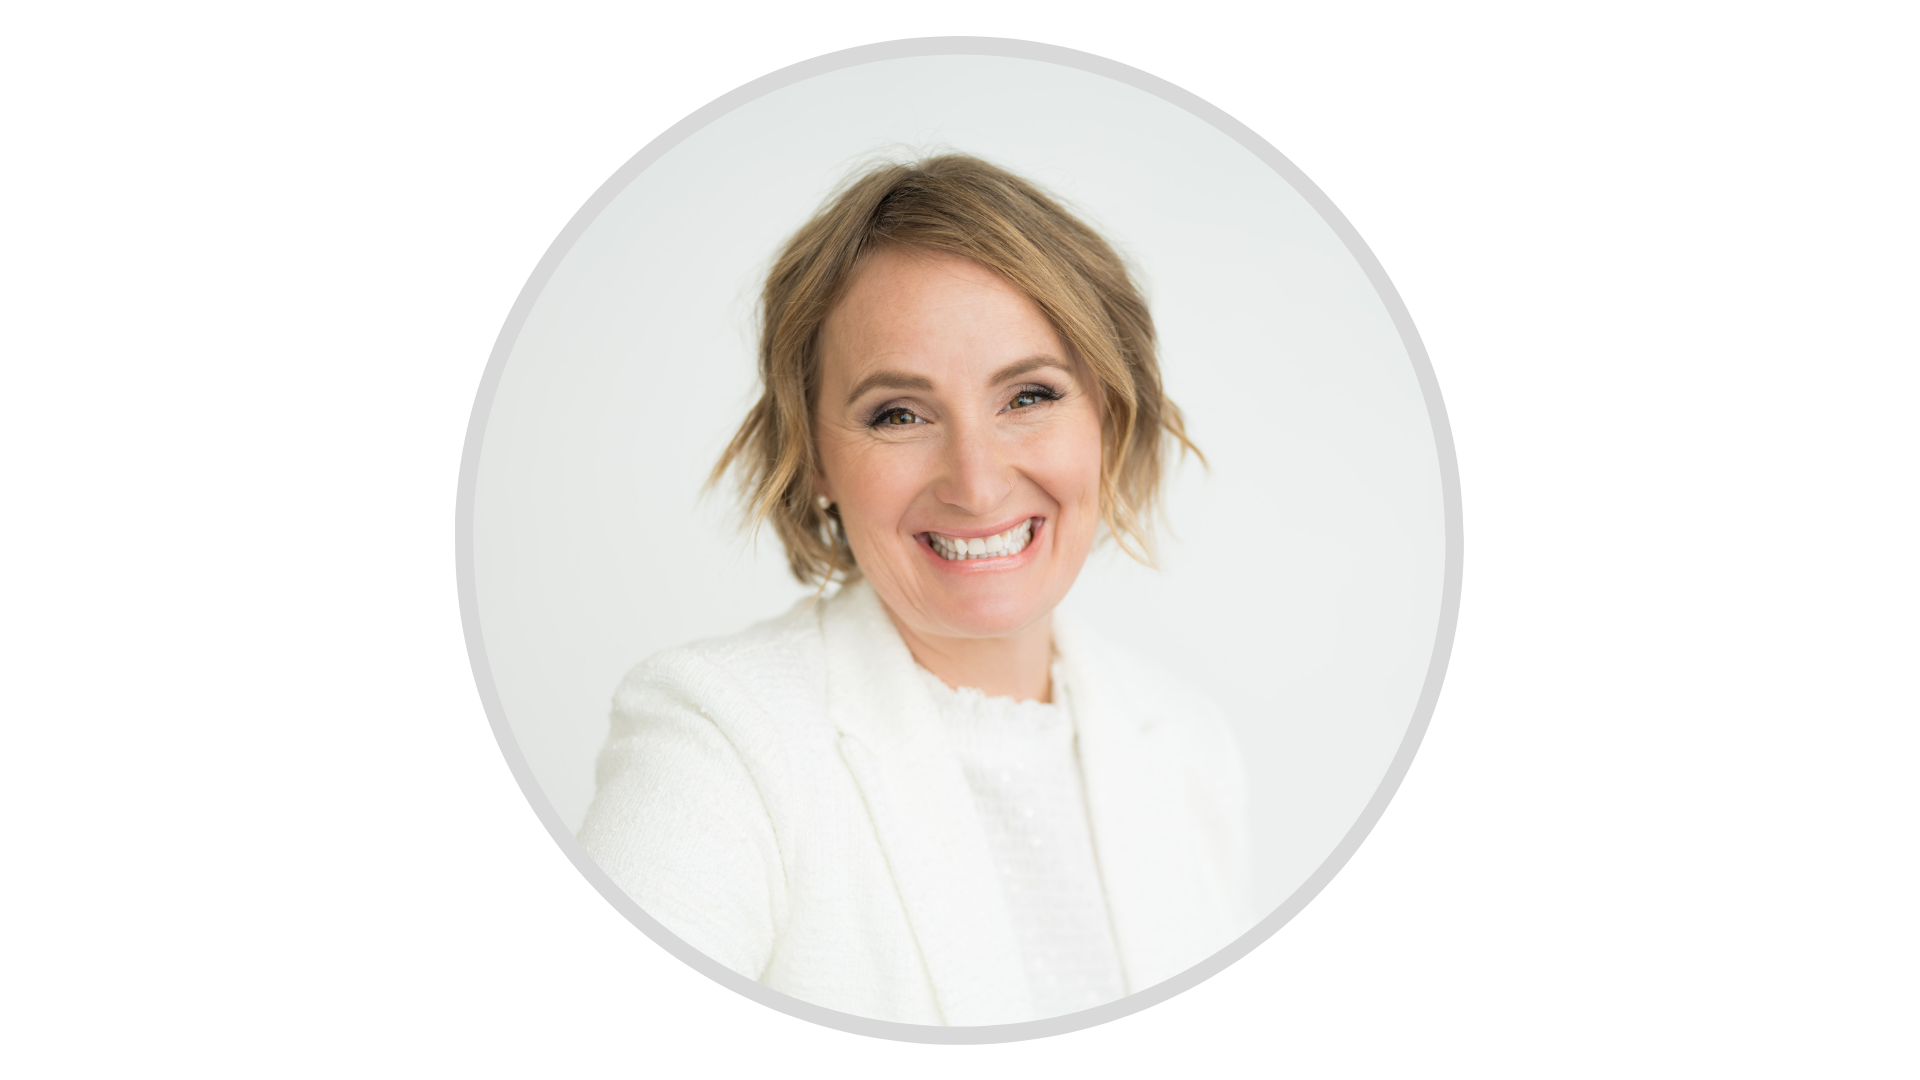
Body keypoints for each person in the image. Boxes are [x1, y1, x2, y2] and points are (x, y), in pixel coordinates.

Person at [578, 154, 1254, 1025]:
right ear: (814, 458)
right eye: (898, 413)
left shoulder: (1191, 741)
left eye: (1029, 395)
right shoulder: (716, 739)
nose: (976, 483)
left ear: (1110, 419)